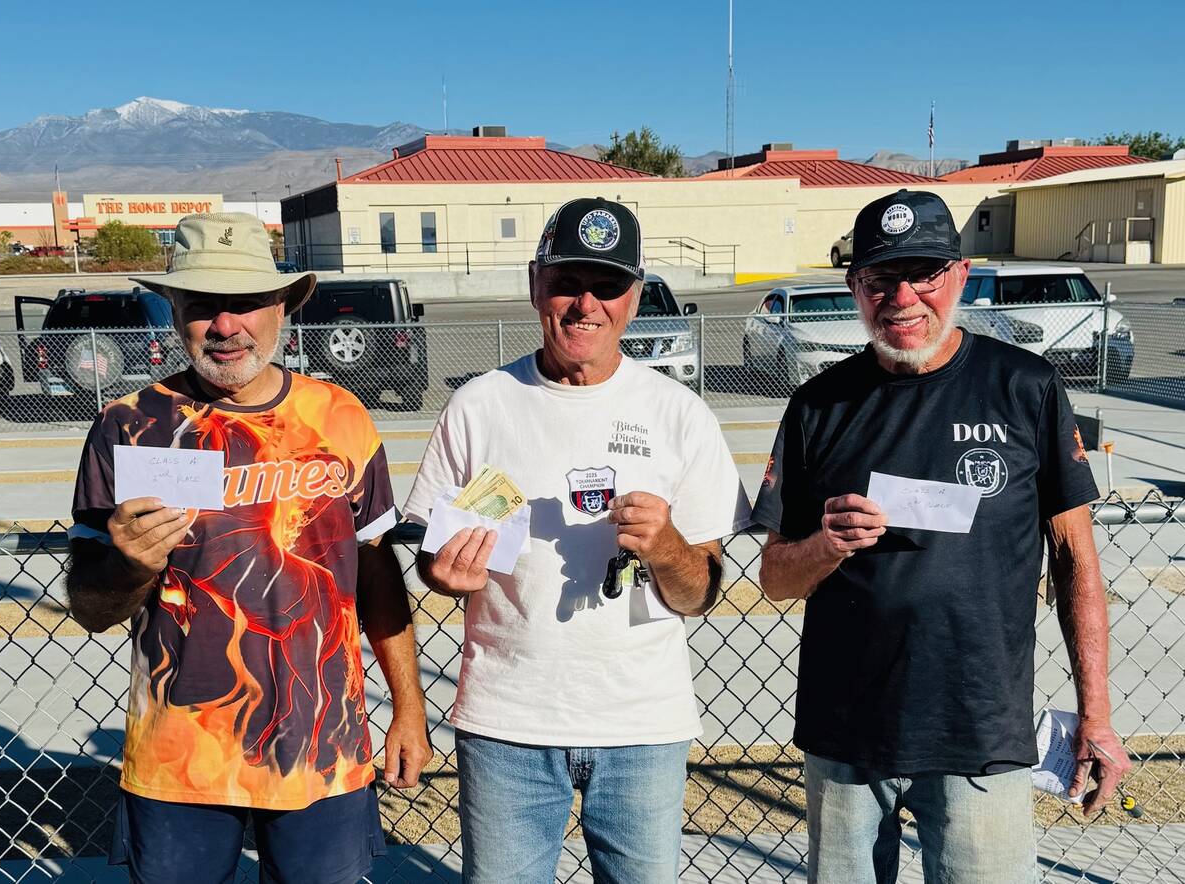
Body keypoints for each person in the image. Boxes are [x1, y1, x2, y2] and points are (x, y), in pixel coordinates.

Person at [753, 190, 1132, 883]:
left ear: (960, 275)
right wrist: (826, 544)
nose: (903, 297)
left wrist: (1096, 717)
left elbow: (1076, 558)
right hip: (846, 737)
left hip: (980, 729)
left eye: (924, 274)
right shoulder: (818, 404)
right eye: (879, 279)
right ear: (854, 288)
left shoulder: (1024, 386)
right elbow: (774, 576)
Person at [65, 212, 432, 883]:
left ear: (284, 307)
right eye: (204, 305)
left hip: (323, 750)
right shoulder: (126, 426)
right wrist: (128, 564)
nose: (225, 326)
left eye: (246, 304)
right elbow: (91, 607)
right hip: (181, 761)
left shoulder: (342, 416)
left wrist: (408, 708)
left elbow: (378, 577)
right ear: (173, 309)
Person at [403, 197, 751, 883]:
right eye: (567, 281)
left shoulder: (679, 414)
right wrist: (447, 575)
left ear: (636, 294)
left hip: (642, 724)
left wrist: (670, 548)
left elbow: (701, 592)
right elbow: (429, 556)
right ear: (536, 284)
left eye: (609, 285)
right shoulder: (480, 404)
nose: (585, 303)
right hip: (506, 723)